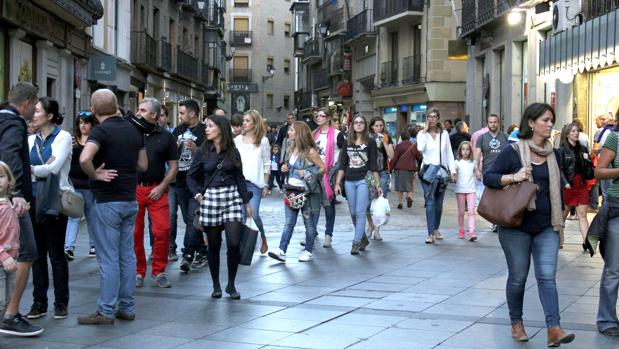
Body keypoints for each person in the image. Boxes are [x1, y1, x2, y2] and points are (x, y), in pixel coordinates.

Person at [484, 103, 575, 346]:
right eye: (545, 120)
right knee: (518, 277)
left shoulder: (554, 155)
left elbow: (557, 188)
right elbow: (489, 177)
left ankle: (554, 328)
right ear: (531, 123)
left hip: (547, 226)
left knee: (547, 277)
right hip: (516, 227)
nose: (549, 124)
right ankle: (516, 323)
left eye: (551, 120)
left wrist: (562, 219)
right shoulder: (513, 151)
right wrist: (514, 177)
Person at [77, 89, 148, 325]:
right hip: (129, 199)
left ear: (94, 110)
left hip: (107, 201)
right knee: (127, 256)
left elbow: (84, 159)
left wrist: (95, 175)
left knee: (108, 258)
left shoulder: (101, 130)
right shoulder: (134, 129)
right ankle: (127, 307)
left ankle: (106, 310)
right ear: (116, 105)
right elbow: (143, 165)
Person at [187, 115, 252, 299]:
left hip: (231, 197)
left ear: (220, 129)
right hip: (211, 199)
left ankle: (231, 285)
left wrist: (246, 201)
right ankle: (216, 285)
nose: (206, 129)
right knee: (214, 245)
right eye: (206, 126)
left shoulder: (233, 151)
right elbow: (191, 176)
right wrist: (198, 195)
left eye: (210, 126)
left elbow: (239, 177)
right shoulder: (202, 151)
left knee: (234, 243)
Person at [0, 82, 43, 336]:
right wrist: (15, 194)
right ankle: (10, 314)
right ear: (27, 102)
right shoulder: (14, 124)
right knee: (26, 252)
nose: (35, 109)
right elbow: (8, 156)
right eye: (35, 104)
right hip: (13, 202)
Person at [25, 97, 73, 320]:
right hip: (32, 200)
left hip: (55, 199)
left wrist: (32, 170)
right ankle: (39, 302)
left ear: (50, 115)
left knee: (56, 253)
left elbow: (54, 168)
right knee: (37, 254)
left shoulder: (62, 137)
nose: (33, 115)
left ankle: (61, 303)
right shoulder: (30, 140)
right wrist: (37, 169)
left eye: (37, 111)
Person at [133, 98, 178, 289]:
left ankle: (158, 270)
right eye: (138, 109)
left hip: (158, 189)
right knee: (134, 233)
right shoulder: (131, 133)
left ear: (154, 115)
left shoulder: (166, 137)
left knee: (163, 230)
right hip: (134, 189)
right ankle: (138, 271)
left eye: (142, 110)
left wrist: (162, 187)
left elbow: (174, 166)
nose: (138, 113)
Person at [268, 121, 325, 262]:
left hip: (307, 192)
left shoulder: (310, 151)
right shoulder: (290, 149)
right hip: (292, 190)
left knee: (309, 223)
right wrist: (285, 169)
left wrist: (306, 173)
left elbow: (323, 168)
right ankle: (282, 250)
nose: (288, 132)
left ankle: (308, 250)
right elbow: (289, 166)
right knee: (289, 222)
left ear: (299, 133)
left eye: (291, 130)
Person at [334, 115, 382, 255]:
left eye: (361, 122)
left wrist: (378, 185)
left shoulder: (371, 142)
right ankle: (363, 238)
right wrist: (338, 183)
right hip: (349, 180)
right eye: (356, 122)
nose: (359, 125)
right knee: (353, 213)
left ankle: (355, 243)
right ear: (352, 125)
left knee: (360, 212)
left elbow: (374, 165)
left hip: (364, 180)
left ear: (365, 125)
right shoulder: (347, 142)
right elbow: (342, 164)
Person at [173, 99, 207, 273]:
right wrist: (175, 147)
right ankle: (202, 250)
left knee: (192, 218)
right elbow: (170, 154)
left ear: (192, 114)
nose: (179, 116)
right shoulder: (178, 130)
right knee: (189, 220)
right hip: (179, 181)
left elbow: (208, 157)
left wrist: (196, 150)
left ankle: (188, 254)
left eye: (181, 113)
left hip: (197, 183)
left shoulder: (204, 131)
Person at [593, 121, 619, 336]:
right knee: (614, 269)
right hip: (618, 211)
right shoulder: (614, 137)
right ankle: (607, 319)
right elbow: (599, 171)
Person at [417, 109, 456, 244]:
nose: (432, 119)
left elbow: (449, 153)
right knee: (430, 201)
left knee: (439, 203)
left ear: (438, 118)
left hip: (442, 172)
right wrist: (424, 131)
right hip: (428, 172)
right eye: (429, 117)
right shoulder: (422, 134)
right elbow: (420, 149)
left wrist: (453, 171)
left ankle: (435, 228)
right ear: (426, 119)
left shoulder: (444, 134)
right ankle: (430, 233)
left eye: (434, 117)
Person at [234, 110, 271, 254]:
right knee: (242, 216)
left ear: (255, 123)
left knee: (253, 214)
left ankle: (262, 236)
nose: (244, 123)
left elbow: (267, 164)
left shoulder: (263, 141)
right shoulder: (237, 140)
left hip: (254, 184)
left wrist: (266, 184)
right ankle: (243, 248)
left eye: (247, 121)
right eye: (243, 120)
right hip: (238, 183)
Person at [64, 111, 98, 260]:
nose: (83, 125)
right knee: (74, 217)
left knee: (91, 216)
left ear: (92, 124)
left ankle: (93, 245)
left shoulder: (96, 141)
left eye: (86, 122)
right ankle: (69, 247)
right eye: (80, 122)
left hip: (90, 184)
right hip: (74, 184)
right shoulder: (72, 141)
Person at [310, 108, 343, 248]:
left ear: (328, 118)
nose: (318, 118)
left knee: (328, 206)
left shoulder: (337, 134)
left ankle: (328, 234)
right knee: (312, 205)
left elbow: (344, 154)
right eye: (317, 116)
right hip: (314, 173)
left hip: (329, 175)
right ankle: (311, 233)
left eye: (322, 116)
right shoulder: (313, 134)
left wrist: (338, 178)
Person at [557, 122, 591, 250]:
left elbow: (588, 166)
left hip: (581, 184)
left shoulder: (583, 149)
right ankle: (560, 239)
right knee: (563, 215)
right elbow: (559, 169)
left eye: (577, 131)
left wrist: (589, 167)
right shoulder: (561, 150)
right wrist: (565, 182)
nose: (576, 133)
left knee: (582, 215)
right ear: (567, 135)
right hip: (568, 185)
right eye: (573, 131)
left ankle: (586, 242)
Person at [475, 114, 508, 232]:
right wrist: (477, 170)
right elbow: (477, 156)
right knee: (492, 199)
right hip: (488, 173)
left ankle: (499, 221)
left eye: (495, 122)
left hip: (503, 173)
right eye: (490, 122)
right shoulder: (482, 138)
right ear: (487, 123)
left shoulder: (505, 137)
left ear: (498, 123)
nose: (493, 124)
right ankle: (495, 222)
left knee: (502, 198)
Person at [366, 117, 394, 240]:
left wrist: (383, 143)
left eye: (381, 126)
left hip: (382, 171)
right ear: (372, 126)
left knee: (379, 202)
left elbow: (391, 155)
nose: (379, 128)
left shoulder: (387, 137)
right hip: (369, 173)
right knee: (367, 202)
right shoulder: (366, 138)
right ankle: (370, 225)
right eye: (376, 126)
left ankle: (377, 229)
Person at [0, 162, 20, 329]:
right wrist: (4, 256)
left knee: (8, 301)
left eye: (1, 176)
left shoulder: (8, 202)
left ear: (9, 180)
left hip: (11, 259)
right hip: (2, 258)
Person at [390, 130, 422, 209]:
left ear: (401, 137)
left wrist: (390, 169)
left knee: (400, 186)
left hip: (400, 168)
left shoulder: (398, 146)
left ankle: (400, 203)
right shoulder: (413, 146)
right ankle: (410, 197)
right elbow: (419, 157)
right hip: (411, 168)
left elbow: (395, 158)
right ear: (409, 137)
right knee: (410, 184)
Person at [454, 141, 477, 241]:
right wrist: (453, 176)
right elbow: (453, 173)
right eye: (463, 149)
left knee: (472, 211)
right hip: (460, 190)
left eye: (467, 149)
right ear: (460, 151)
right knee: (461, 212)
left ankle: (472, 231)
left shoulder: (473, 162)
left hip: (471, 189)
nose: (465, 151)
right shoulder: (457, 162)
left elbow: (477, 173)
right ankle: (461, 230)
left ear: (470, 151)